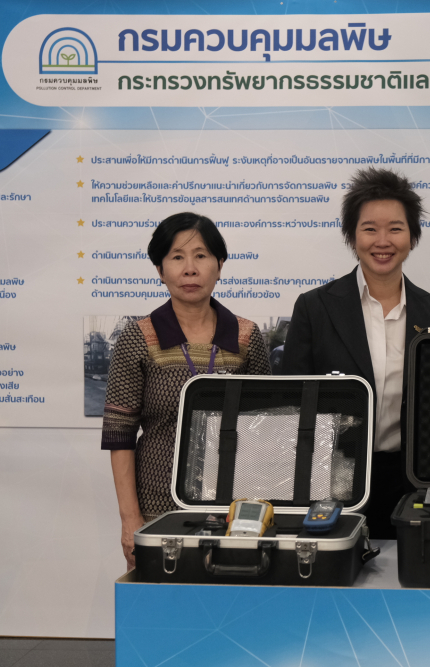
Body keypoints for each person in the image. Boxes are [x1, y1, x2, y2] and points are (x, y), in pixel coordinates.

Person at [281, 168, 430, 539]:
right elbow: (291, 404)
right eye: (369, 229)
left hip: (411, 482)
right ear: (352, 236)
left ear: (412, 236)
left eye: (395, 228)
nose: (383, 241)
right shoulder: (315, 308)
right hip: (330, 480)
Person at [102, 212, 271, 570]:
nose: (190, 269)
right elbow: (120, 435)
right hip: (156, 509)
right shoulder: (138, 338)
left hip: (236, 509)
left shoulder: (246, 337)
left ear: (219, 265)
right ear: (160, 270)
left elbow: (267, 430)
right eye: (177, 257)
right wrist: (130, 520)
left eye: (201, 255)